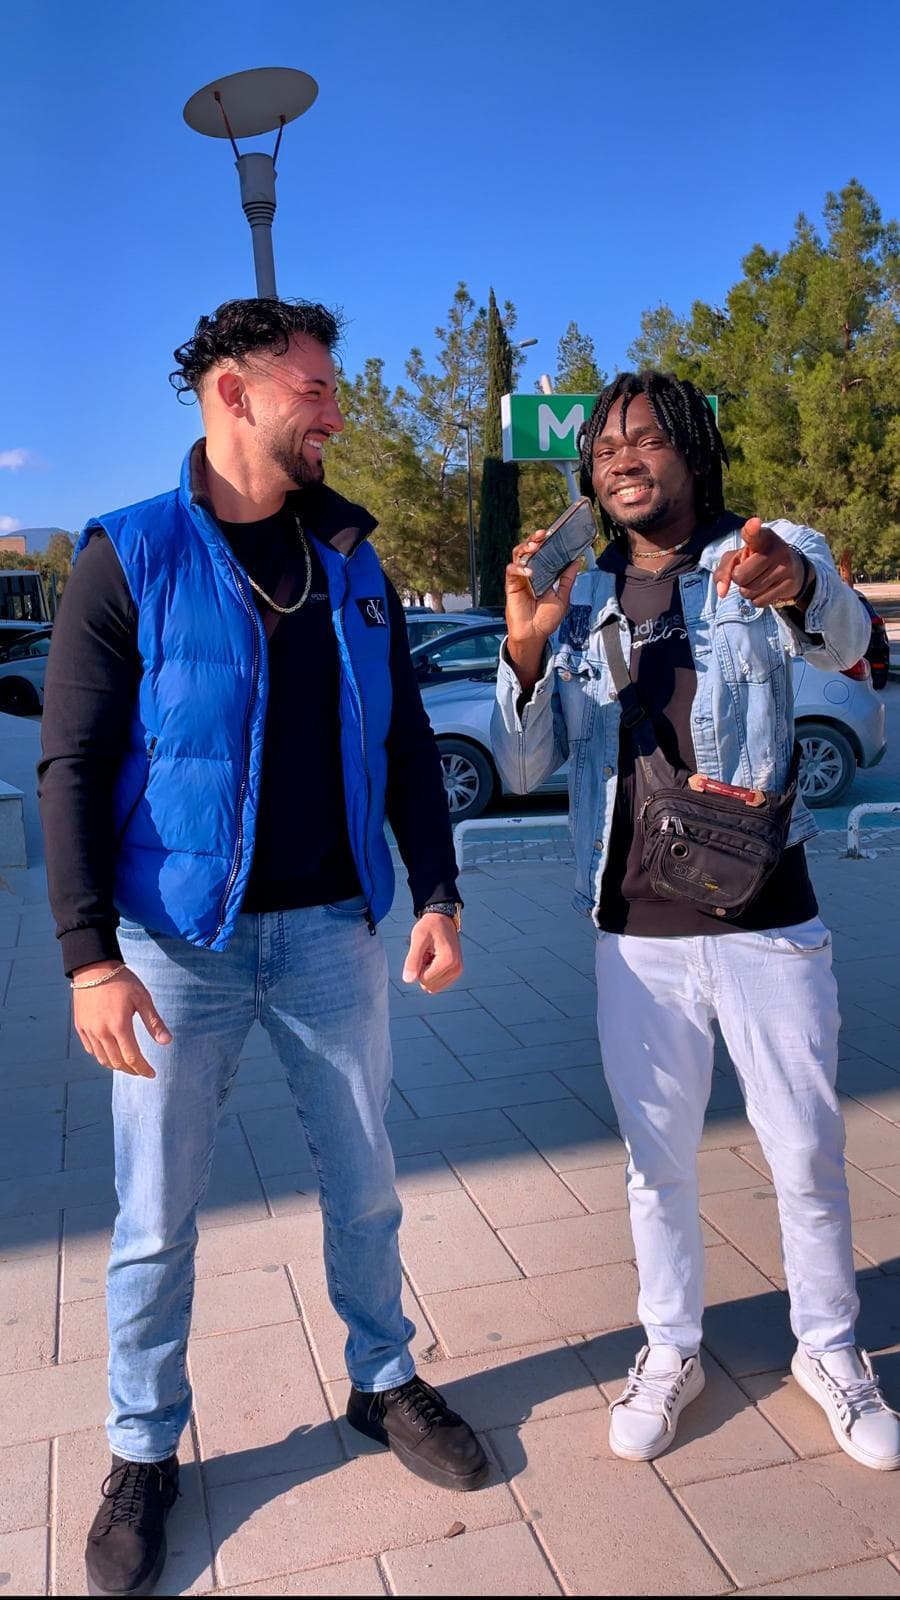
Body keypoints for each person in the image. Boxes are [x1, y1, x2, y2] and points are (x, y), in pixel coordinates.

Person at [39, 298, 486, 1600]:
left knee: (366, 1181)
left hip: (335, 931)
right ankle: (142, 1446)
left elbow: (404, 739)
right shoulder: (126, 554)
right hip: (177, 947)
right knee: (155, 1217)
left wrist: (439, 891)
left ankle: (382, 1378)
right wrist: (88, 957)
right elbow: (70, 767)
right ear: (233, 394)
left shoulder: (351, 557)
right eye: (315, 389)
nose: (336, 409)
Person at [493, 371, 900, 1472]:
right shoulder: (579, 591)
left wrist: (797, 586)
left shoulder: (764, 548)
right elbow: (526, 765)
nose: (622, 458)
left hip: (768, 916)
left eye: (647, 439)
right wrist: (525, 647)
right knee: (655, 1163)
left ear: (692, 450)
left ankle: (829, 1348)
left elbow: (848, 640)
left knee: (805, 1150)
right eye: (605, 447)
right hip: (636, 929)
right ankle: (671, 1346)